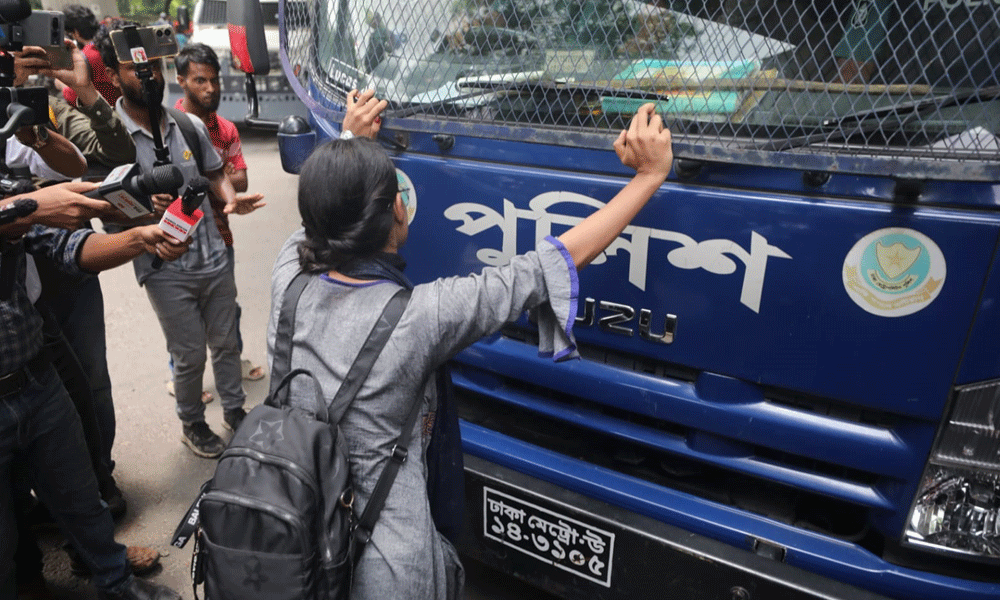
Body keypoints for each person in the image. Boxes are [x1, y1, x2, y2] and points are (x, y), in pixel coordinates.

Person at [267, 96, 672, 599]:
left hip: (285, 530)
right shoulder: (418, 317)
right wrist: (648, 178)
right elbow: (545, 267)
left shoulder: (288, 279)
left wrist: (349, 146)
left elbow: (318, 216)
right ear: (397, 209)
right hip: (385, 567)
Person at [0, 184, 188, 600]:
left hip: (37, 380)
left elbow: (66, 247)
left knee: (83, 500)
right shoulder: (11, 208)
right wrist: (23, 210)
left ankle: (117, 584)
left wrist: (139, 238)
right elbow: (24, 215)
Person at [95, 22, 265, 459]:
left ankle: (235, 409)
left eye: (153, 65)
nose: (148, 75)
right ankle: (192, 422)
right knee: (188, 356)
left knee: (227, 342)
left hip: (213, 258)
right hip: (164, 271)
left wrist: (228, 201)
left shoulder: (187, 125)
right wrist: (141, 206)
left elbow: (214, 173)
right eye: (136, 69)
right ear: (114, 75)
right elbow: (100, 213)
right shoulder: (109, 140)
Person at [170, 42, 266, 399]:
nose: (210, 89)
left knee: (227, 308)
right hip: (182, 236)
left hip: (221, 235)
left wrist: (216, 179)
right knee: (183, 313)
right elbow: (185, 184)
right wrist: (218, 177)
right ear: (181, 81)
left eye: (214, 80)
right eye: (199, 81)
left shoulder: (226, 129)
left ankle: (233, 363)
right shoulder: (169, 127)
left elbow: (240, 180)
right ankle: (179, 374)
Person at [61, 5, 120, 108]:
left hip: (107, 115)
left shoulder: (84, 57)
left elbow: (73, 96)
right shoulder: (114, 44)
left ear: (76, 32)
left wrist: (61, 84)